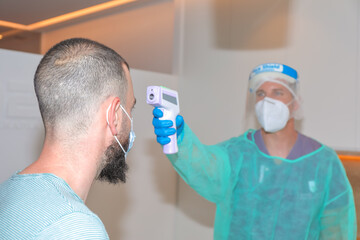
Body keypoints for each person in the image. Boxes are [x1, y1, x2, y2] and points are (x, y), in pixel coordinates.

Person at [152, 63, 357, 239]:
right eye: (261, 93)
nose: (267, 101)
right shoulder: (238, 153)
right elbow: (205, 165)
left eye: (278, 92)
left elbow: (338, 229)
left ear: (294, 103)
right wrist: (181, 139)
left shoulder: (324, 162)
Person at [0, 38, 136, 239]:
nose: (131, 120)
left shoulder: (9, 192)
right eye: (130, 108)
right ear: (114, 115)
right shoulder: (76, 227)